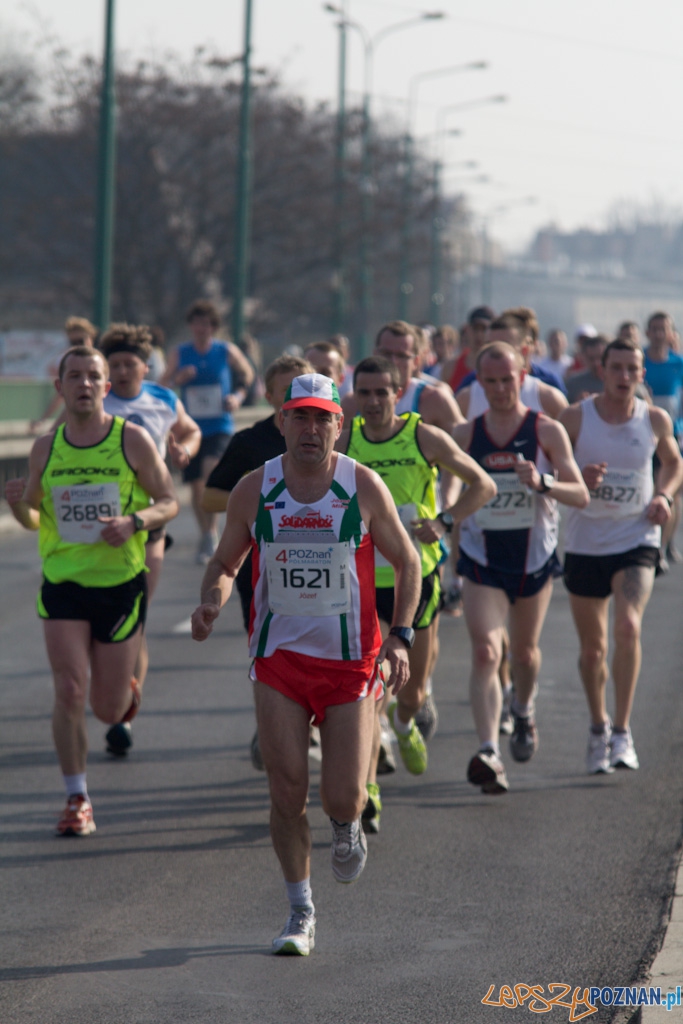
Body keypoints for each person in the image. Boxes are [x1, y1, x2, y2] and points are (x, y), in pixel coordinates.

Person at [191, 373, 421, 956]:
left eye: (323, 418)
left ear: (338, 427)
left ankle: (345, 827)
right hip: (280, 660)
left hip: (349, 664)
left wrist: (401, 638)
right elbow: (225, 561)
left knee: (343, 797)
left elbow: (409, 562)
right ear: (283, 422)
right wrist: (211, 602)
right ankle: (300, 910)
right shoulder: (255, 488)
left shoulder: (361, 485)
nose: (311, 429)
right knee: (286, 790)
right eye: (300, 417)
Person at [4, 346, 178, 836]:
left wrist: (134, 521)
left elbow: (168, 502)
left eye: (93, 377)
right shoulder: (46, 447)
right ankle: (76, 797)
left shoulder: (133, 441)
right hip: (63, 583)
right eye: (73, 376)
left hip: (120, 585)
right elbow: (37, 515)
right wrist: (18, 507)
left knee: (108, 709)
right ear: (59, 388)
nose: (84, 384)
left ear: (106, 387)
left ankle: (125, 693)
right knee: (68, 690)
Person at [341, 356, 495, 815]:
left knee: (410, 691)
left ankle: (406, 724)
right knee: (370, 688)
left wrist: (445, 520)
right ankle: (367, 791)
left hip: (416, 578)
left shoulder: (423, 435)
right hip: (362, 579)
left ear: (398, 392)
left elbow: (482, 484)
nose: (371, 402)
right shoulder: (345, 439)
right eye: (363, 393)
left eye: (380, 393)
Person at [452, 342, 589, 794]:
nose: (498, 390)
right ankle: (489, 749)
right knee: (487, 653)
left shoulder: (546, 429)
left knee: (524, 654)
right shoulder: (466, 435)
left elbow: (580, 494)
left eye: (506, 380)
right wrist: (447, 537)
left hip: (533, 557)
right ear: (478, 382)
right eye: (488, 382)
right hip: (482, 558)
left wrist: (543, 482)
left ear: (523, 376)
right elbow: (449, 495)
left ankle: (524, 708)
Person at [560, 338, 683, 773]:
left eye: (633, 369)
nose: (625, 376)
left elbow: (673, 463)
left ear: (642, 374)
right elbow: (553, 465)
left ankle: (622, 732)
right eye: (617, 368)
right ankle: (598, 728)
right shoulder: (576, 417)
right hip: (584, 541)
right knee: (593, 649)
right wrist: (578, 476)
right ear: (603, 369)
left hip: (637, 537)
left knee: (628, 627)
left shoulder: (653, 419)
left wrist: (665, 497)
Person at [202, 352, 313, 770]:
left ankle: (311, 725)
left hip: (325, 570)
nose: (294, 398)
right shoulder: (249, 443)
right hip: (262, 572)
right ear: (268, 395)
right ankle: (273, 726)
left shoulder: (327, 433)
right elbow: (210, 496)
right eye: (285, 391)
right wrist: (256, 503)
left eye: (302, 387)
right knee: (270, 653)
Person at [98, 323, 201, 754]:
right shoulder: (94, 401)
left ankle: (123, 711)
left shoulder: (162, 399)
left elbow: (191, 431)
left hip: (150, 519)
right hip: (100, 523)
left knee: (135, 618)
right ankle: (111, 684)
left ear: (146, 366)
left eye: (130, 364)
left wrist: (186, 452)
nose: (123, 372)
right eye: (115, 364)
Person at [161, 299, 254, 564]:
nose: (201, 328)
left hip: (219, 425)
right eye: (196, 323)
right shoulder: (180, 353)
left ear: (213, 326)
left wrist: (237, 396)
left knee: (210, 472)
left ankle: (212, 532)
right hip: (189, 428)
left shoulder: (226, 351)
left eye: (206, 323)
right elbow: (162, 385)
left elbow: (247, 374)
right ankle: (207, 533)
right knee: (195, 485)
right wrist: (178, 380)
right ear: (190, 326)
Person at [456, 313, 568, 421]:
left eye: (504, 345)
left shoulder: (550, 399)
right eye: (489, 345)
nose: (495, 352)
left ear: (524, 350)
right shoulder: (466, 397)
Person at [643, 311, 683, 566]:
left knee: (671, 491)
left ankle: (664, 547)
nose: (659, 334)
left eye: (663, 329)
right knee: (648, 489)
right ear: (647, 332)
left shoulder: (678, 364)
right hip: (644, 436)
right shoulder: (639, 362)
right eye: (654, 329)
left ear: (670, 333)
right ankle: (648, 541)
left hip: (673, 436)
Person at [30, 317, 98, 432]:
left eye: (81, 341)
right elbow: (61, 395)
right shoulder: (68, 363)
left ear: (91, 337)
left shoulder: (103, 362)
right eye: (73, 342)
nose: (77, 345)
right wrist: (43, 419)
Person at [441, 306, 495, 393]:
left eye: (484, 329)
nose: (479, 334)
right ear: (468, 329)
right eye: (475, 328)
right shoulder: (450, 366)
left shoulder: (499, 367)